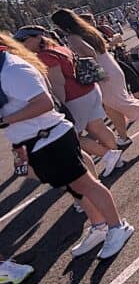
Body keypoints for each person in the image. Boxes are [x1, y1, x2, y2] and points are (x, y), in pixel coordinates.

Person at [0, 32, 134, 259]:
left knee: (86, 184)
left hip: (51, 137)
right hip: (34, 141)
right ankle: (99, 225)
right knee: (73, 186)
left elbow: (44, 103)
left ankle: (117, 226)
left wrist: (5, 121)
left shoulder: (12, 70)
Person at [15, 26, 124, 177]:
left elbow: (58, 83)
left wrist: (59, 107)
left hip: (75, 98)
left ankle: (109, 156)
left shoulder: (45, 56)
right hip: (89, 91)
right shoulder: (59, 48)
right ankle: (116, 158)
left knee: (73, 138)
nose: (22, 45)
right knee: (98, 127)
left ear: (36, 38)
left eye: (23, 40)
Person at [49, 9, 139, 146]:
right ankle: (123, 137)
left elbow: (89, 52)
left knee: (119, 102)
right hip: (109, 65)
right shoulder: (87, 30)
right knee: (111, 107)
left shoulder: (73, 37)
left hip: (102, 72)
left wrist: (80, 61)